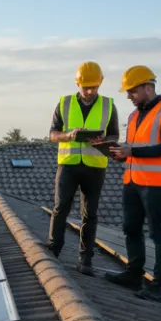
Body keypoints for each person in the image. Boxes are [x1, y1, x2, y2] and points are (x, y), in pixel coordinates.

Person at [106, 66, 161, 302]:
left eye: (132, 91)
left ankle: (160, 285)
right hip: (133, 180)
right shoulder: (134, 115)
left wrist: (132, 151)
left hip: (158, 183)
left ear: (148, 87)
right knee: (130, 228)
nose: (129, 96)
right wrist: (121, 153)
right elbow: (135, 148)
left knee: (158, 232)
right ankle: (134, 273)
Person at [47, 61, 118, 275]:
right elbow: (52, 135)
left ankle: (85, 260)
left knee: (90, 214)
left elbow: (115, 135)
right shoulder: (64, 103)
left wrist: (102, 140)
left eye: (94, 87)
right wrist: (68, 136)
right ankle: (52, 253)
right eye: (86, 87)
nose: (90, 91)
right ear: (77, 84)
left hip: (95, 167)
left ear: (100, 84)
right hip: (68, 165)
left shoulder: (108, 105)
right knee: (60, 209)